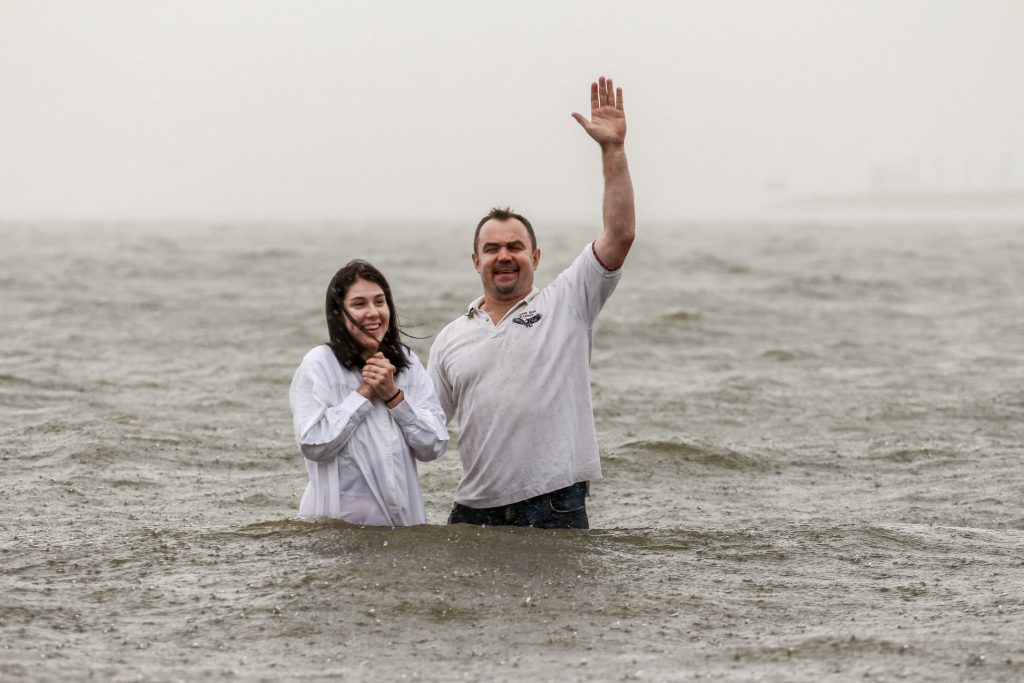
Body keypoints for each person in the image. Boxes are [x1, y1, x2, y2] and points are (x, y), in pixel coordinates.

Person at [428, 76, 635, 529]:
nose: (504, 256)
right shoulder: (450, 338)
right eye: (493, 248)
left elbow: (619, 236)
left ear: (535, 257)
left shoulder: (570, 302)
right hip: (473, 511)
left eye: (515, 247)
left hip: (554, 506)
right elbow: (425, 434)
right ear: (475, 260)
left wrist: (612, 151)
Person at [289, 260, 448, 526]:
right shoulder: (319, 363)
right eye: (359, 304)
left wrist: (394, 397)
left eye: (379, 301)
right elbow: (313, 443)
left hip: (404, 532)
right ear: (339, 313)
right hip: (337, 536)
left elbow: (435, 445)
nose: (373, 313)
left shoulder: (407, 363)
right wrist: (363, 394)